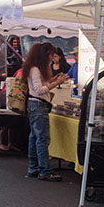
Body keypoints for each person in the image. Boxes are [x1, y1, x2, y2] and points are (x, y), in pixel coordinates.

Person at [23, 41, 67, 181]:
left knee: (34, 137)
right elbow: (39, 90)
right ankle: (44, 170)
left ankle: (34, 168)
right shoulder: (35, 69)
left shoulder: (34, 68)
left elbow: (42, 85)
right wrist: (56, 83)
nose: (53, 58)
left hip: (34, 105)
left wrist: (53, 80)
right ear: (46, 54)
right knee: (42, 138)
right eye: (52, 55)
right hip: (38, 105)